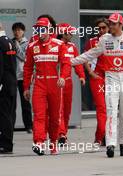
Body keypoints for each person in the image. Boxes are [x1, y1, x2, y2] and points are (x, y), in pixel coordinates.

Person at [71, 13, 123, 158]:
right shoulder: (104, 40)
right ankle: (110, 144)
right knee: (110, 110)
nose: (110, 26)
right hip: (111, 77)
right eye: (109, 23)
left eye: (113, 24)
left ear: (121, 25)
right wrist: (71, 61)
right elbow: (90, 54)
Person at [23, 17, 71, 155]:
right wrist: (26, 87)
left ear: (49, 30)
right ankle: (39, 143)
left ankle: (53, 143)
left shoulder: (59, 44)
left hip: (55, 84)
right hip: (39, 84)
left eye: (42, 28)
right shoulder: (32, 46)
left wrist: (62, 77)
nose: (39, 31)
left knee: (55, 116)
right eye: (37, 28)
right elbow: (27, 68)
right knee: (39, 115)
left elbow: (66, 63)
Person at [56, 23, 86, 145]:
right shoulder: (54, 45)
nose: (72, 35)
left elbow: (78, 62)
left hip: (68, 82)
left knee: (67, 109)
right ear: (63, 33)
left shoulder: (72, 47)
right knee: (59, 109)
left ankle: (64, 134)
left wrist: (82, 76)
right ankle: (60, 134)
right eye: (69, 33)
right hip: (56, 82)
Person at [84, 18, 109, 145]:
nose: (101, 30)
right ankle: (100, 137)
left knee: (111, 108)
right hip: (97, 78)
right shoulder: (92, 41)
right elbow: (86, 58)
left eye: (104, 27)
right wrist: (90, 73)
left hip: (112, 78)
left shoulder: (116, 41)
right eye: (99, 28)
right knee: (101, 107)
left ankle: (105, 135)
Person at [12, 22, 33, 134]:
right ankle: (10, 126)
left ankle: (29, 126)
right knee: (11, 104)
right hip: (11, 77)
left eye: (19, 30)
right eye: (15, 30)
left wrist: (16, 46)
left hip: (24, 77)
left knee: (25, 103)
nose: (17, 32)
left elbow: (25, 58)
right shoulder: (10, 42)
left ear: (23, 31)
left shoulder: (28, 44)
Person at [0, 23, 17, 154]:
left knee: (4, 114)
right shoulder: (10, 41)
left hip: (3, 84)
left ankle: (6, 145)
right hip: (11, 82)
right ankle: (7, 142)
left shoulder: (0, 43)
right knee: (9, 114)